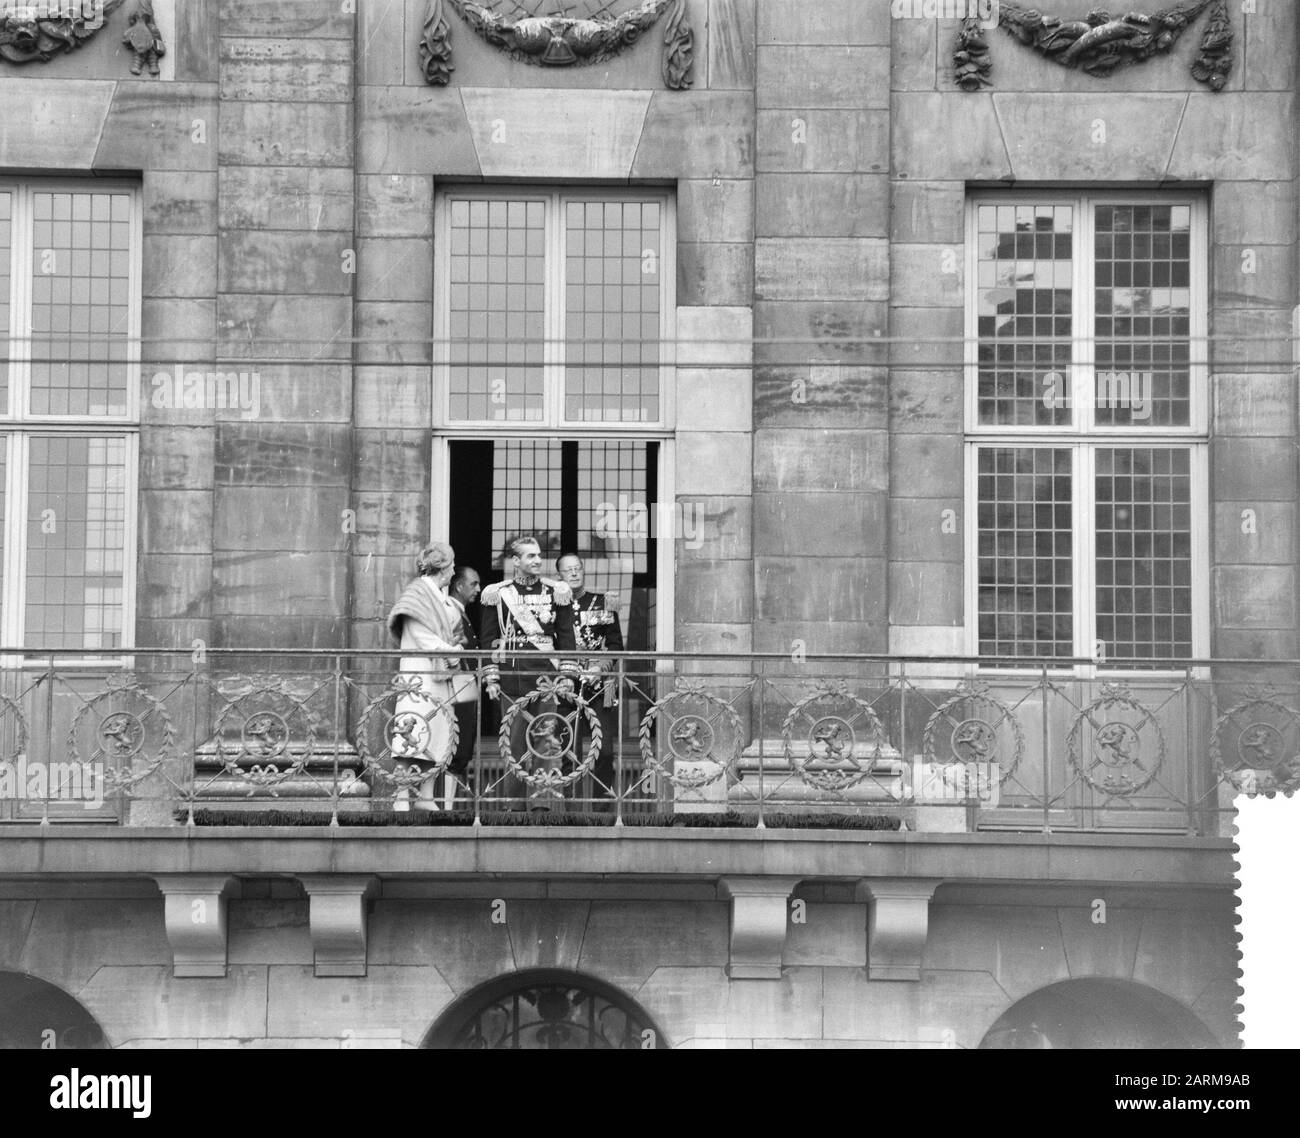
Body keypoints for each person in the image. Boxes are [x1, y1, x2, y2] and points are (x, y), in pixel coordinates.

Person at [480, 536, 579, 810]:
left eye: (538, 555)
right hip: (512, 678)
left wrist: (568, 676)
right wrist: (492, 676)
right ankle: (514, 805)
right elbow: (489, 638)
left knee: (546, 742)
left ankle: (542, 805)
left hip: (546, 678)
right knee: (514, 746)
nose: (537, 560)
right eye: (530, 556)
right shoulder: (497, 593)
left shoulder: (555, 591)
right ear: (515, 561)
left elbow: (566, 636)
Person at [386, 541, 467, 810]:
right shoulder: (417, 594)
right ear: (442, 568)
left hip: (440, 676)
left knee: (437, 733)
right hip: (418, 675)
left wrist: (454, 648)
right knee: (411, 731)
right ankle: (401, 796)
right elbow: (423, 637)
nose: (454, 571)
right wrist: (451, 651)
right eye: (452, 565)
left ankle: (426, 795)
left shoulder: (441, 597)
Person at [556, 552, 624, 811]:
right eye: (567, 570)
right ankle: (571, 811)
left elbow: (616, 645)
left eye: (578, 568)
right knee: (568, 751)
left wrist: (599, 667)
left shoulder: (603, 602)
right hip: (566, 688)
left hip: (598, 687)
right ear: (559, 576)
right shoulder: (555, 605)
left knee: (604, 751)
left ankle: (602, 811)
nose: (574, 573)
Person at [442, 565, 482, 808]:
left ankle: (447, 805)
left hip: (464, 683)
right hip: (456, 683)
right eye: (473, 584)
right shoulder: (449, 610)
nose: (478, 589)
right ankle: (445, 806)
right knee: (456, 746)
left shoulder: (461, 611)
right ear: (458, 586)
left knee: (463, 745)